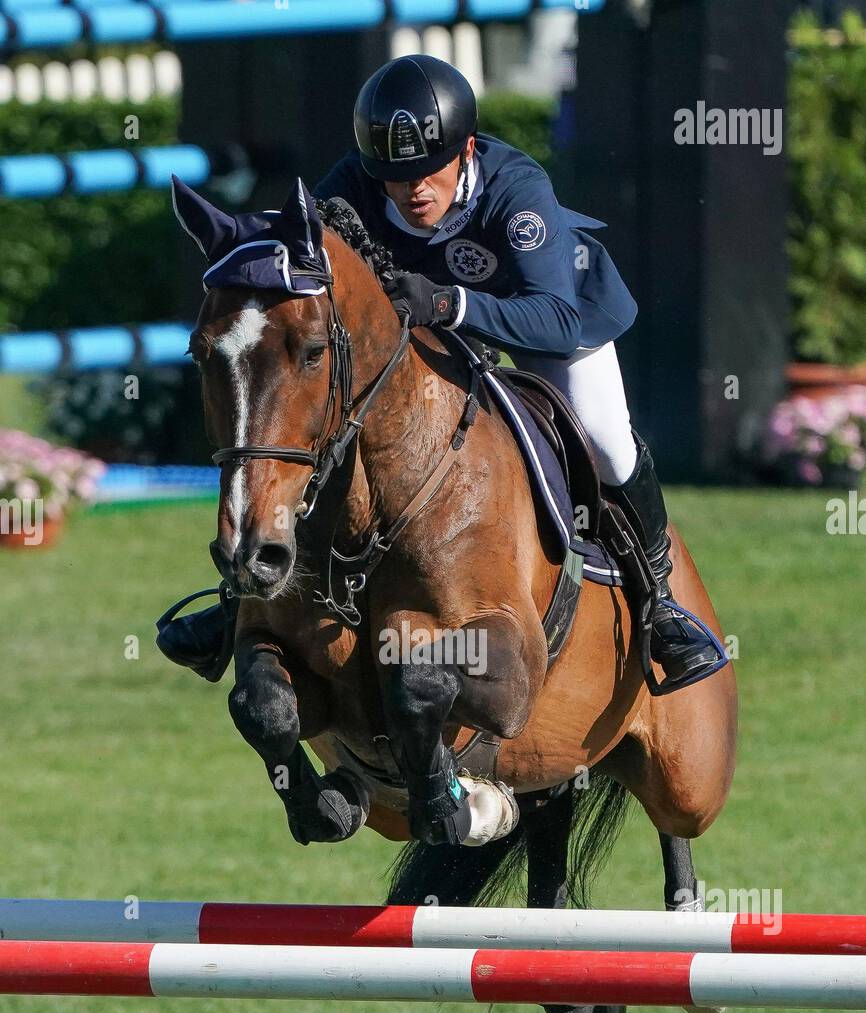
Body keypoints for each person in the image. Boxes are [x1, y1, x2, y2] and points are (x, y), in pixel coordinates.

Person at [159, 53, 725, 692]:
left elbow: (556, 320)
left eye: (430, 171)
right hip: (433, 327)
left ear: (467, 150)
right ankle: (238, 604)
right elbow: (298, 255)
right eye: (396, 178)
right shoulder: (354, 186)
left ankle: (661, 605)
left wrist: (453, 303)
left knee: (606, 439)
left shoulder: (516, 190)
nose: (414, 190)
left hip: (550, 316)